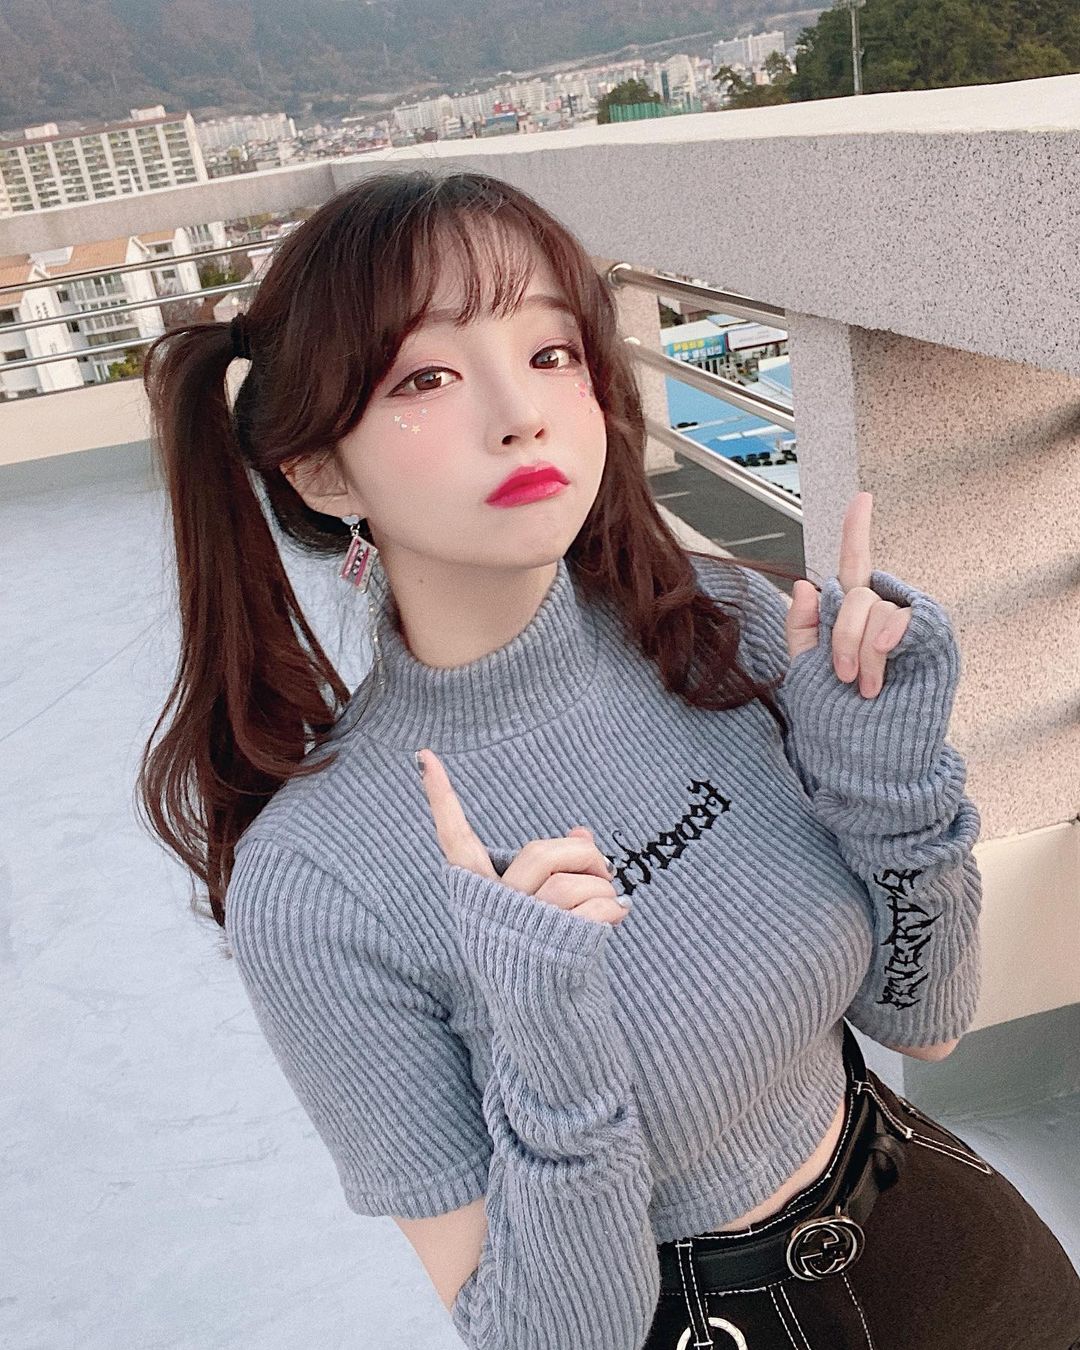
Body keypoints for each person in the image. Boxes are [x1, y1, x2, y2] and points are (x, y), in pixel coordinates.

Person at [136, 167, 1080, 1350]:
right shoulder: (317, 880)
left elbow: (925, 1017)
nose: (520, 413)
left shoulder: (721, 632)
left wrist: (885, 779)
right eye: (425, 377)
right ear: (322, 471)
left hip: (969, 1255)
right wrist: (549, 1047)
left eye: (550, 353)